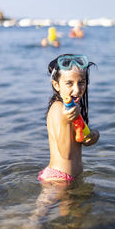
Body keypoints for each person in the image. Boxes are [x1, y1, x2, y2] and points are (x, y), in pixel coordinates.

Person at [38, 54, 99, 183]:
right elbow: (65, 154)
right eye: (69, 83)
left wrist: (94, 136)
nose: (77, 90)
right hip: (58, 178)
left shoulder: (73, 108)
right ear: (56, 85)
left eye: (81, 82)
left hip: (68, 178)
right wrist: (66, 122)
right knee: (44, 204)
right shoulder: (58, 109)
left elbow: (80, 140)